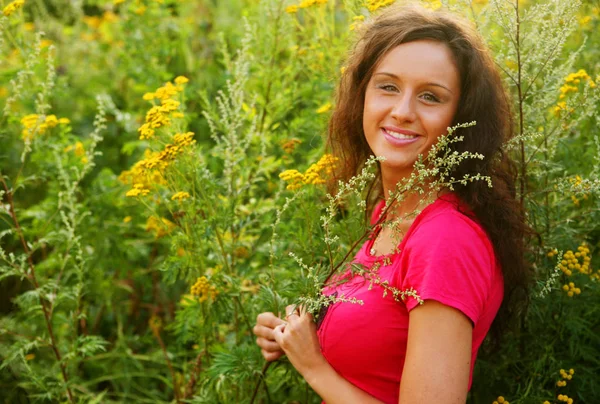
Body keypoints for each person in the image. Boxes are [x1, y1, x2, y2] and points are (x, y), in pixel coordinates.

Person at [253, 4, 530, 403]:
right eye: (387, 87)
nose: (402, 112)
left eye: (431, 97)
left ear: (460, 118)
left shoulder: (445, 240)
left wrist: (313, 366)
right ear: (362, 95)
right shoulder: (392, 214)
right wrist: (296, 337)